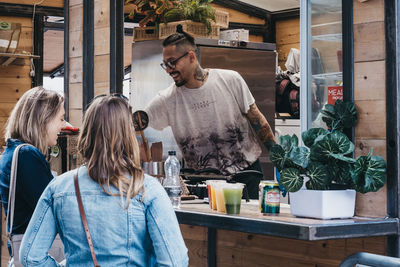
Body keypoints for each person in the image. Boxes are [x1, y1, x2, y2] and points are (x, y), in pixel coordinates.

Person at [19, 94, 189, 266]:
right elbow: (175, 262)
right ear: (128, 135)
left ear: (87, 133)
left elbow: (30, 257)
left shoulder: (58, 188)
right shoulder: (147, 188)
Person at [144, 27, 276, 198]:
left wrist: (280, 160)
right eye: (165, 64)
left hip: (246, 175)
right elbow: (137, 122)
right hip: (204, 185)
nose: (168, 69)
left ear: (191, 56)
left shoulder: (230, 80)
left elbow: (257, 119)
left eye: (172, 62)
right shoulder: (167, 100)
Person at [0, 87, 65, 262]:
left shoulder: (14, 151)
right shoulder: (26, 156)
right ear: (43, 119)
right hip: (38, 253)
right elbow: (54, 208)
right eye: (60, 118)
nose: (63, 126)